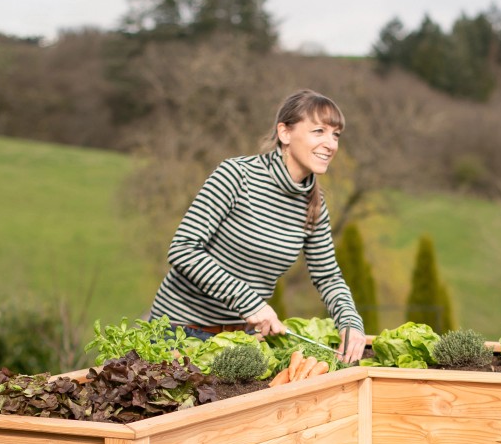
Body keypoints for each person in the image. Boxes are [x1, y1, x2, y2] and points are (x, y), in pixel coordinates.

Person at [148, 89, 368, 364]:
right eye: (319, 131)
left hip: (240, 340)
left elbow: (328, 277)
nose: (330, 143)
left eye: (335, 135)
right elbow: (183, 249)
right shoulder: (236, 176)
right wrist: (249, 302)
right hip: (178, 331)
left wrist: (350, 322)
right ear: (285, 133)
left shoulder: (314, 204)